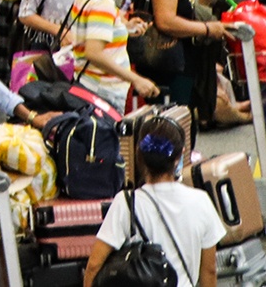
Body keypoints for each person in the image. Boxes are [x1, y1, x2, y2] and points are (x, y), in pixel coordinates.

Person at [84, 116, 226, 287]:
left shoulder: (127, 203)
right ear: (178, 157)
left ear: (139, 156)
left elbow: (94, 265)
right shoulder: (201, 201)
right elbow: (209, 270)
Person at [70, 0, 158, 110]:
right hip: (102, 90)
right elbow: (94, 53)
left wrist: (124, 27)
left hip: (88, 84)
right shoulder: (102, 4)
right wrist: (136, 79)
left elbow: (95, 29)